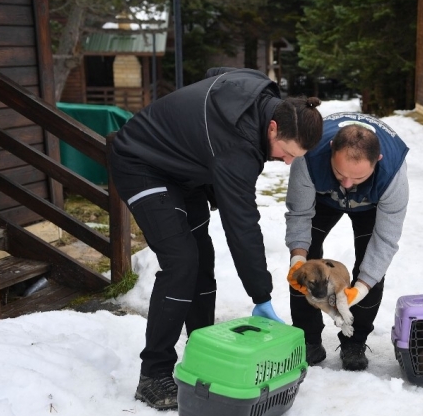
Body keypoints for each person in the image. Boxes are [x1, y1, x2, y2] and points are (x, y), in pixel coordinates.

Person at [108, 67, 323, 410]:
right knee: (181, 263)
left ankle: (201, 355)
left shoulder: (261, 92)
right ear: (272, 127)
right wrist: (261, 294)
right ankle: (153, 373)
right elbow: (242, 225)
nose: (285, 162)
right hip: (141, 161)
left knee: (201, 261)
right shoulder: (236, 147)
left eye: (294, 158)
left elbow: (215, 73)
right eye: (286, 152)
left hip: (185, 170)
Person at [285, 112, 409, 371]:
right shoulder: (308, 157)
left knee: (370, 265)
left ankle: (355, 340)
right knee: (304, 268)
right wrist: (297, 258)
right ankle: (307, 340)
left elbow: (385, 241)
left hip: (370, 205)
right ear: (330, 150)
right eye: (340, 173)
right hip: (323, 198)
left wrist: (361, 288)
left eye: (358, 177)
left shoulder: (392, 174)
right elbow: (299, 214)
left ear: (378, 161)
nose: (348, 183)